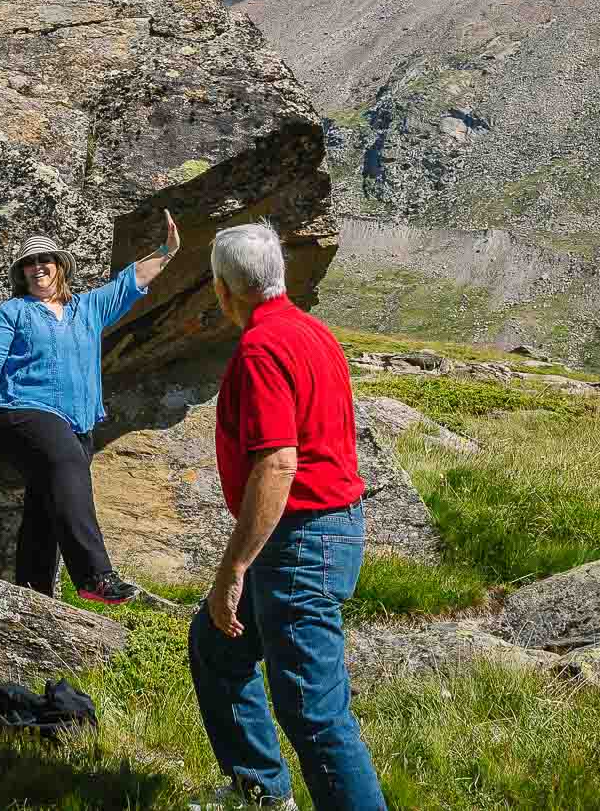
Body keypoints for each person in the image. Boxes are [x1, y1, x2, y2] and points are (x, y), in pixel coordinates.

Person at [187, 220, 384, 811]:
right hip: (318, 532)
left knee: (313, 711)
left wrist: (234, 566)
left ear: (224, 290)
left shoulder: (259, 349)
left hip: (301, 540)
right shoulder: (312, 332)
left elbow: (277, 464)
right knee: (217, 647)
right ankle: (261, 791)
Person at [0, 211, 178, 605]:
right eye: (29, 263)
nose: (38, 267)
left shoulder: (88, 309)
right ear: (21, 274)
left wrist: (168, 251)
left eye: (45, 260)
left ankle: (33, 593)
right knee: (66, 465)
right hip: (20, 409)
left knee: (49, 499)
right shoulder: (12, 312)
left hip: (77, 422)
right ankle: (95, 576)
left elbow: (132, 280)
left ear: (60, 268)